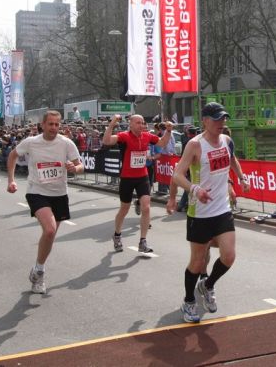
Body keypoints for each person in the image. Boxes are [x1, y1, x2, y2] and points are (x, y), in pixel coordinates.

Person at [166, 102, 249, 323]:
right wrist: (195, 189)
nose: (222, 122)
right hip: (200, 213)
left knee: (229, 256)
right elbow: (177, 175)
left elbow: (232, 159)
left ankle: (208, 285)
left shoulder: (227, 141)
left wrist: (241, 178)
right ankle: (188, 301)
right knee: (197, 261)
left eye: (224, 118)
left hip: (222, 209)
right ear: (204, 120)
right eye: (217, 118)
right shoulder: (195, 145)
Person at [6, 110, 83, 294]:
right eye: (50, 124)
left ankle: (37, 268)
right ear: (42, 125)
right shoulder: (31, 142)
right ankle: (40, 273)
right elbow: (12, 156)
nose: (54, 128)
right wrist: (11, 180)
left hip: (59, 193)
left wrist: (75, 168)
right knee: (49, 230)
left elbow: (80, 165)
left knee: (50, 236)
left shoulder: (66, 143)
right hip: (37, 191)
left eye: (57, 124)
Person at [102, 114, 173, 254]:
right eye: (138, 123)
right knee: (124, 209)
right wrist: (112, 124)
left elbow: (162, 143)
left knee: (146, 207)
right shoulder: (124, 136)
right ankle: (117, 235)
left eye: (143, 122)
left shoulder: (147, 136)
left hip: (142, 177)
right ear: (131, 124)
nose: (142, 125)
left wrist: (169, 130)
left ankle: (143, 241)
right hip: (127, 178)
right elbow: (106, 140)